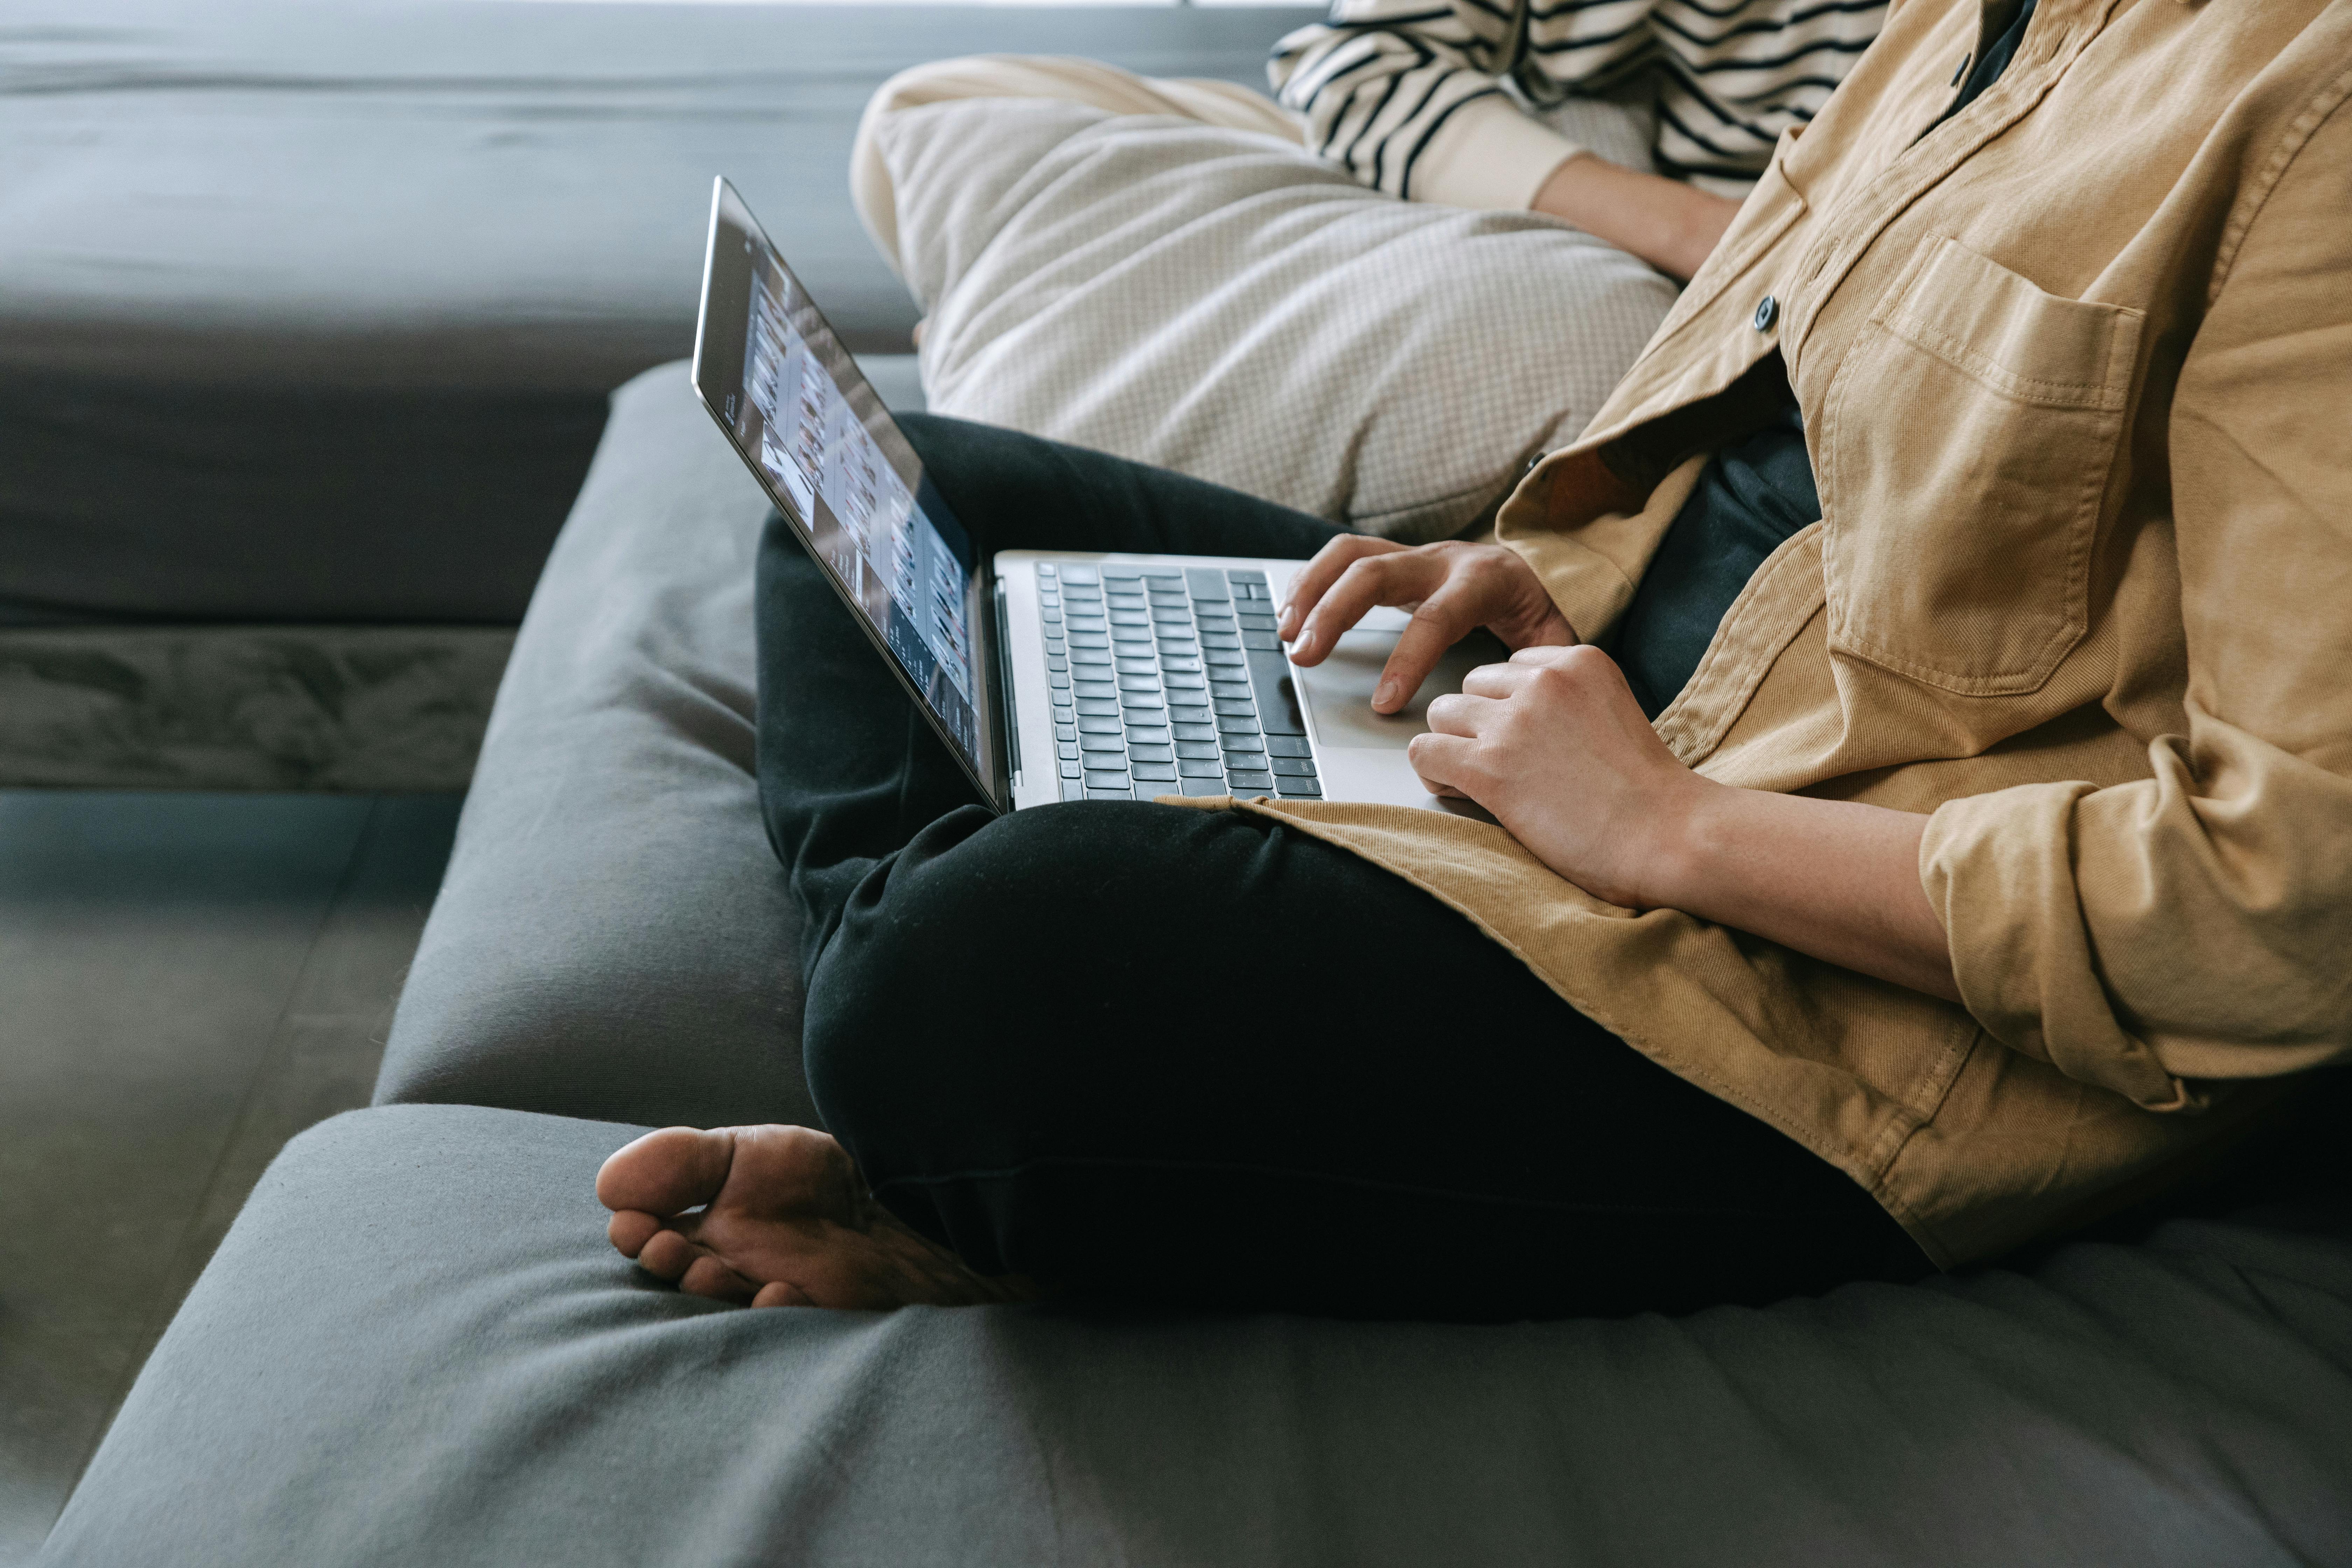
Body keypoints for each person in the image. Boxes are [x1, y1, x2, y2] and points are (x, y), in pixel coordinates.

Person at [598, 0, 2352, 1320]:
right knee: (898, 504)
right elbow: (1785, 456)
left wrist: (1667, 831)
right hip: (1586, 711)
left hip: (1796, 979)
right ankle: (993, 1152)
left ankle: (977, 1118)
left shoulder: (2312, 109)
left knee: (969, 972)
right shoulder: (1994, 18)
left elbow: (2288, 914)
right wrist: (1530, 571)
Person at [850, 0, 1888, 286]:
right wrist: (1717, 234)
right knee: (936, 107)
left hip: (1805, 332)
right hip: (1720, 236)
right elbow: (1359, 71)